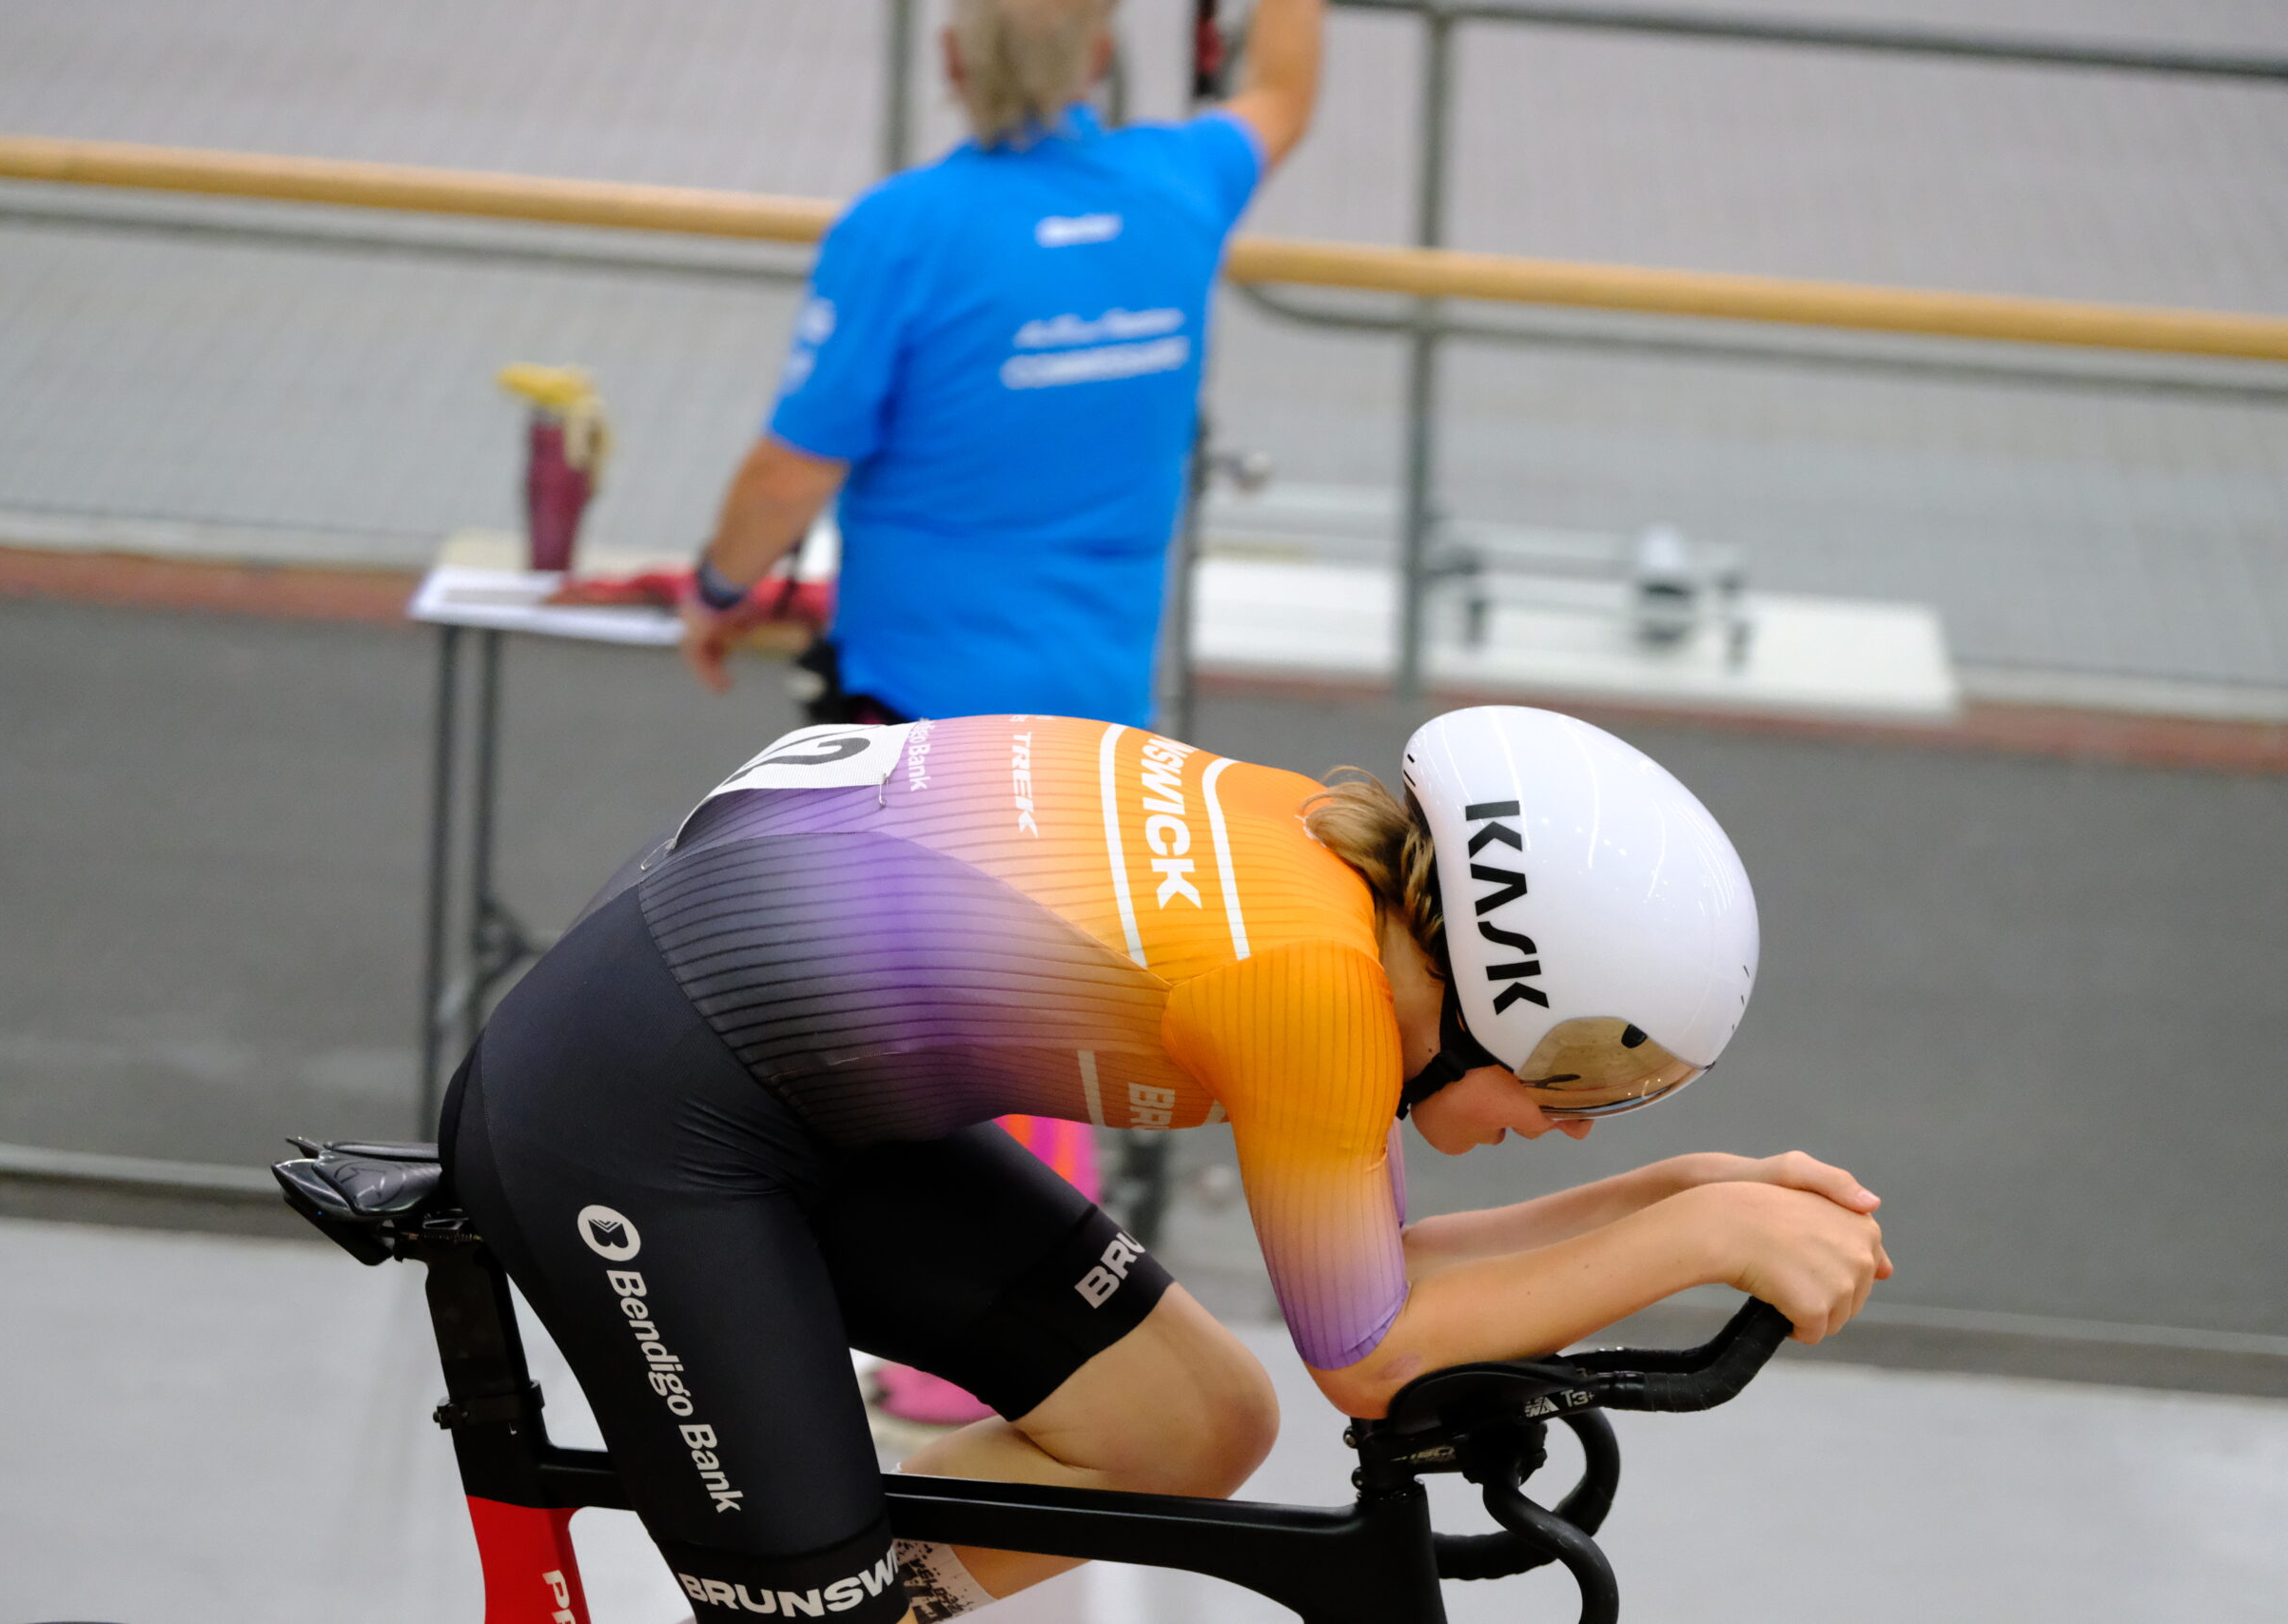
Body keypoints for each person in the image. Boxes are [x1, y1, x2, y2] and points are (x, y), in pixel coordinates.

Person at [439, 704, 1890, 1623]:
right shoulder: (1310, 988)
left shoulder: (1336, 890)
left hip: (758, 1067)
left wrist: (1678, 1194)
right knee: (815, 1618)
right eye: (1583, 1076)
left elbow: (1381, 1279)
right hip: (631, 1121)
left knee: (1187, 1419)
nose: (1577, 1122)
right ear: (1499, 988)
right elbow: (1376, 1356)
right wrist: (1705, 1240)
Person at [675, 0, 1325, 727]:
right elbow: (1283, 93)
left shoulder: (900, 228)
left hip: (919, 719)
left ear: (952, 59)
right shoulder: (1181, 185)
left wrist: (716, 593)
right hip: (1100, 721)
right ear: (1098, 57)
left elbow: (789, 478)